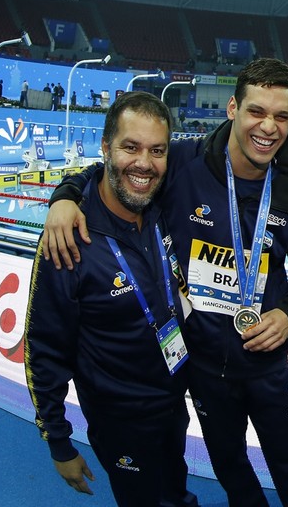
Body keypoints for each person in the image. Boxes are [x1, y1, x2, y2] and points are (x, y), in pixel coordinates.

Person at [43, 58, 288, 507]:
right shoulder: (185, 162)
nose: (268, 127)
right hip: (202, 364)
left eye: (282, 116)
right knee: (228, 462)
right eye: (256, 111)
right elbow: (122, 169)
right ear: (232, 108)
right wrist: (65, 196)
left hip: (266, 360)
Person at [25, 91, 197, 507]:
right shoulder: (69, 243)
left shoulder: (160, 207)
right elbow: (44, 348)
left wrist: (65, 190)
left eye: (156, 150)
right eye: (130, 147)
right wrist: (59, 442)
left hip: (171, 402)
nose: (144, 163)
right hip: (119, 419)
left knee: (175, 488)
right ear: (105, 148)